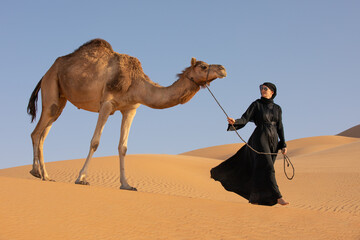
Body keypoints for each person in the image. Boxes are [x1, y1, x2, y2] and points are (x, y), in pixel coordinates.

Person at [210, 82, 289, 206]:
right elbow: (245, 118)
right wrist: (234, 121)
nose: (262, 90)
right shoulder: (256, 104)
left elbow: (280, 126)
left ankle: (255, 199)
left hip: (273, 139)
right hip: (260, 136)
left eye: (265, 88)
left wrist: (283, 144)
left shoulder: (278, 108)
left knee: (261, 169)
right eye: (261, 88)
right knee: (269, 167)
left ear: (272, 92)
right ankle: (278, 197)